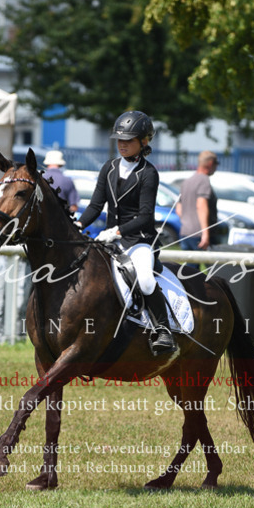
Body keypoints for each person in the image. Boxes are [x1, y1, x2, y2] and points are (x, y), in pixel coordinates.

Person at [77, 110, 176, 354]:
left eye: (128, 140)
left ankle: (163, 330)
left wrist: (117, 231)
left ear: (143, 142)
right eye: (119, 140)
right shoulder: (108, 168)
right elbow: (95, 205)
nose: (122, 145)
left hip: (138, 241)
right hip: (110, 240)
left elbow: (145, 217)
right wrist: (79, 225)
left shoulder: (148, 173)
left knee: (143, 278)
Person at [177, 150, 219, 250]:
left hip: (185, 232)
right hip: (199, 235)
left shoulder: (187, 182)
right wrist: (205, 233)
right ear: (210, 163)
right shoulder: (204, 180)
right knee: (213, 265)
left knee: (189, 265)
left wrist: (188, 223)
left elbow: (179, 209)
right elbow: (201, 205)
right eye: (216, 164)